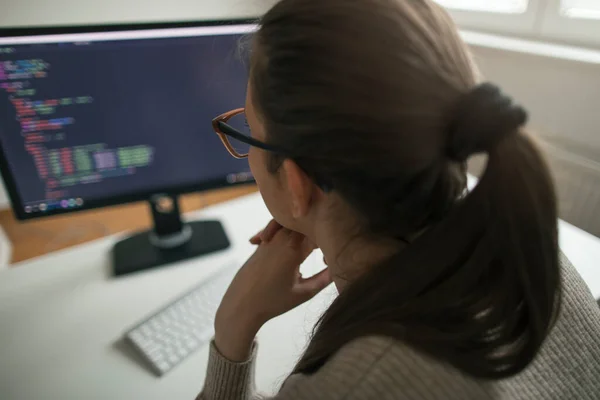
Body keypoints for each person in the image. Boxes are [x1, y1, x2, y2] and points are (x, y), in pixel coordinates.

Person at [202, 0, 600, 398]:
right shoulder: (532, 255)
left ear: (296, 182)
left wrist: (234, 325)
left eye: (248, 130)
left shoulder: (353, 386)